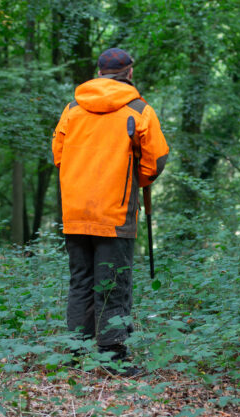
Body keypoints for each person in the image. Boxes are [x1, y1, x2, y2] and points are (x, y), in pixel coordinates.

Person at [52, 48, 169, 376]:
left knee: (81, 282)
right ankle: (114, 360)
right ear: (129, 73)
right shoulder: (139, 110)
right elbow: (156, 161)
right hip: (116, 213)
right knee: (113, 283)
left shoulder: (72, 109)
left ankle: (76, 357)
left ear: (99, 72)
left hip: (75, 211)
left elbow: (58, 155)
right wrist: (134, 180)